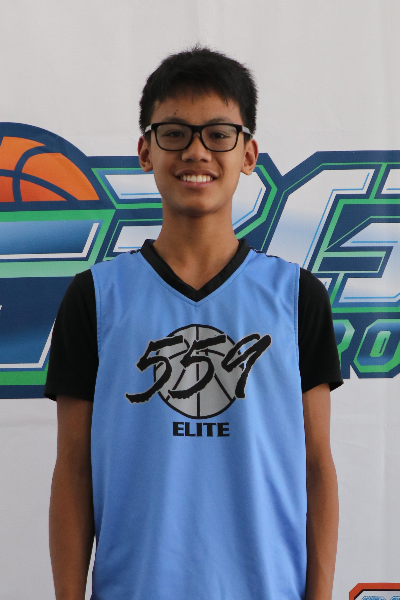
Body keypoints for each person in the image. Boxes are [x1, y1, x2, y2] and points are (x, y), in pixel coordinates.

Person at [46, 46, 342, 600]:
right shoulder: (96, 297)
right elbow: (73, 471)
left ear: (248, 153)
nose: (197, 151)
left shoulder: (297, 296)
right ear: (145, 150)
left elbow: (317, 466)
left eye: (218, 134)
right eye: (175, 133)